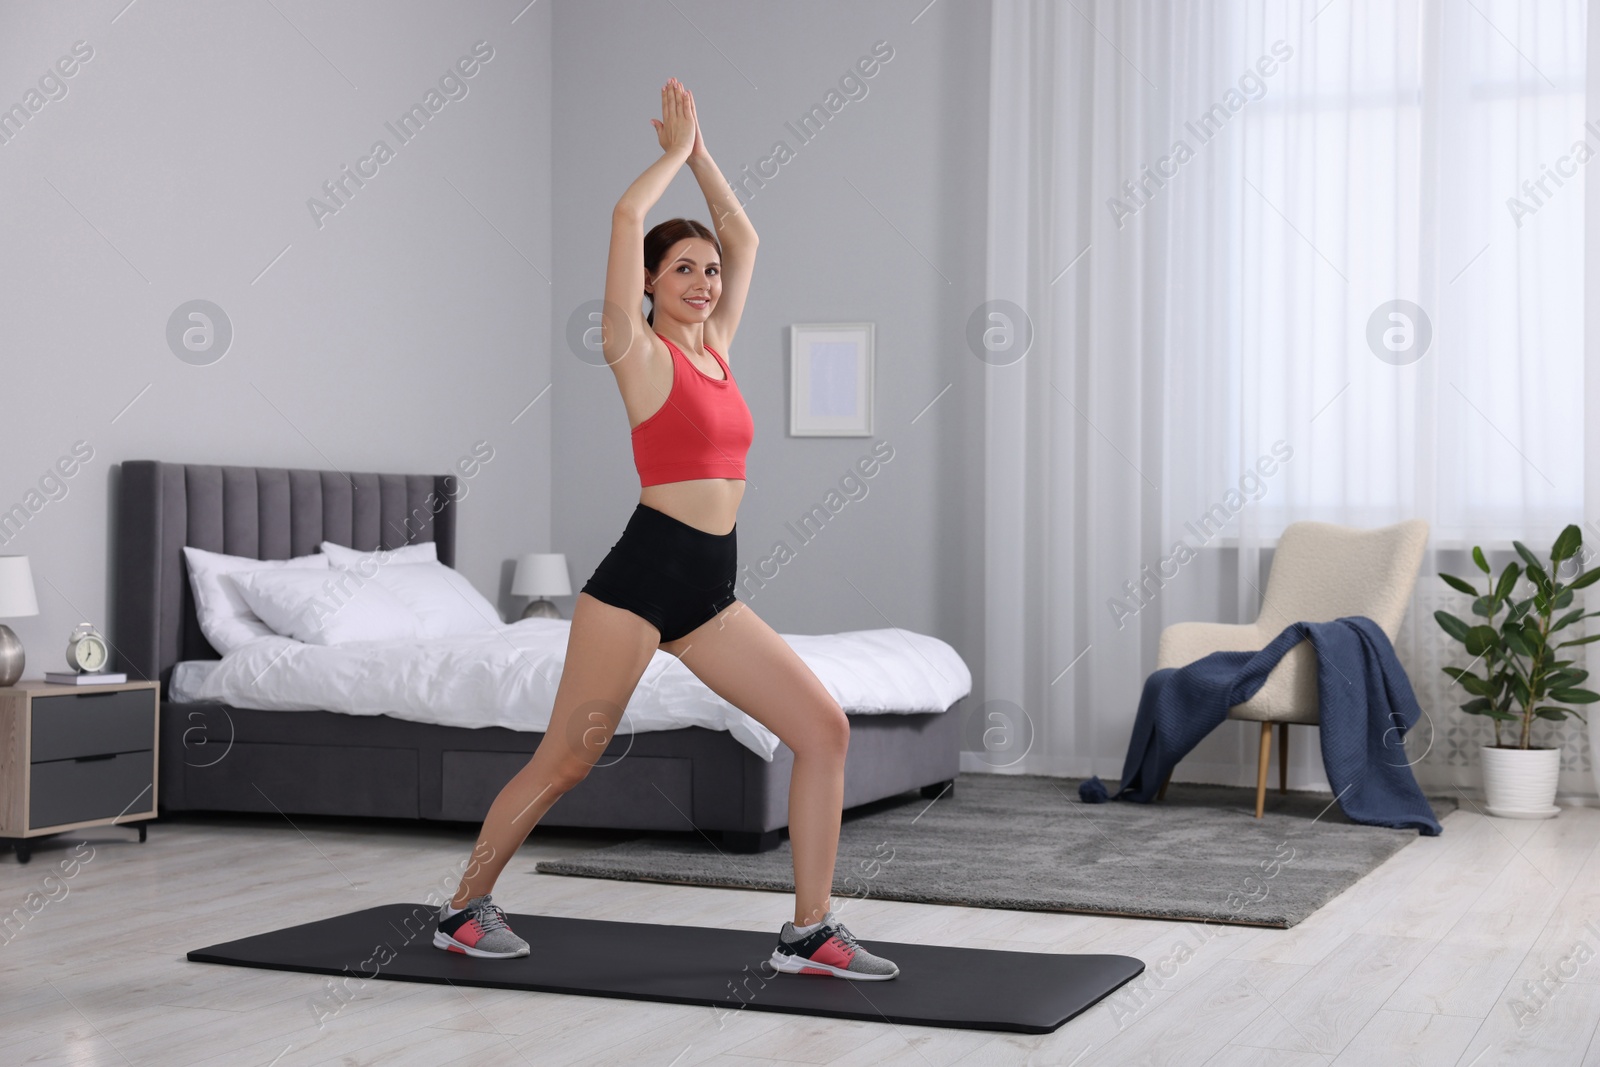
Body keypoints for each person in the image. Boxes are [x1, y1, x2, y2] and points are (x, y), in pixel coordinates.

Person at [432, 77, 897, 981]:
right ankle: (462, 908)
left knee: (823, 728)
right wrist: (672, 160)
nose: (704, 280)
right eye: (683, 268)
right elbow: (621, 212)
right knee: (568, 759)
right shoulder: (634, 352)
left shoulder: (716, 346)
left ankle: (808, 930)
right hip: (638, 582)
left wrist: (706, 151)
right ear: (649, 281)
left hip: (710, 591)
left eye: (709, 270)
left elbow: (747, 234)